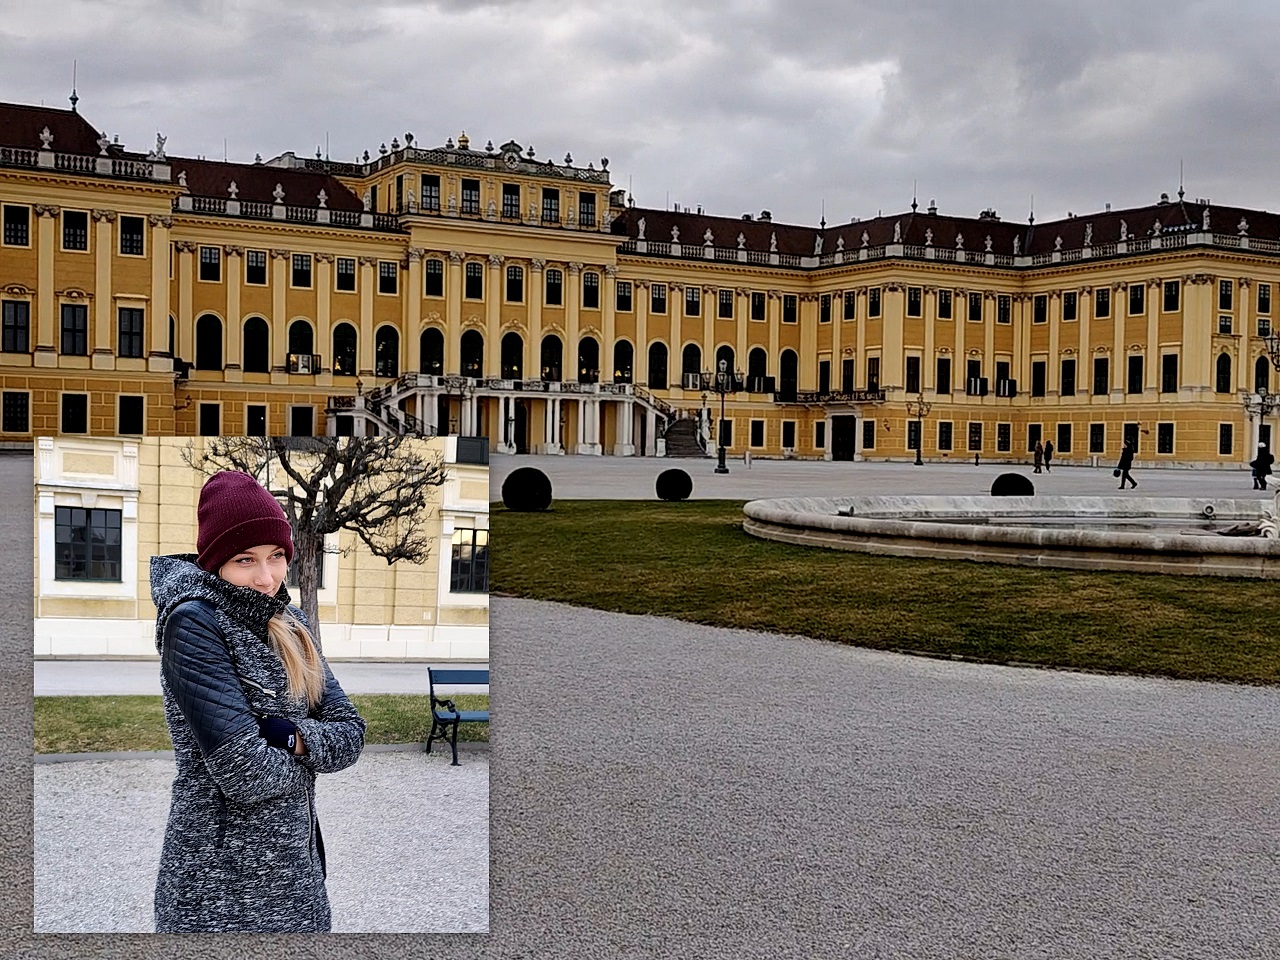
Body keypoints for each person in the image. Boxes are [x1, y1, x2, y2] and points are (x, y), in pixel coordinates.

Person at [149, 471, 366, 933]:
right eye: (245, 559)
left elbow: (351, 731)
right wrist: (307, 752)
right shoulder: (192, 624)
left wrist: (290, 737)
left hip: (298, 870)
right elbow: (246, 773)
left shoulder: (291, 621)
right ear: (215, 563)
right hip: (220, 881)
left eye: (276, 557)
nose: (266, 578)